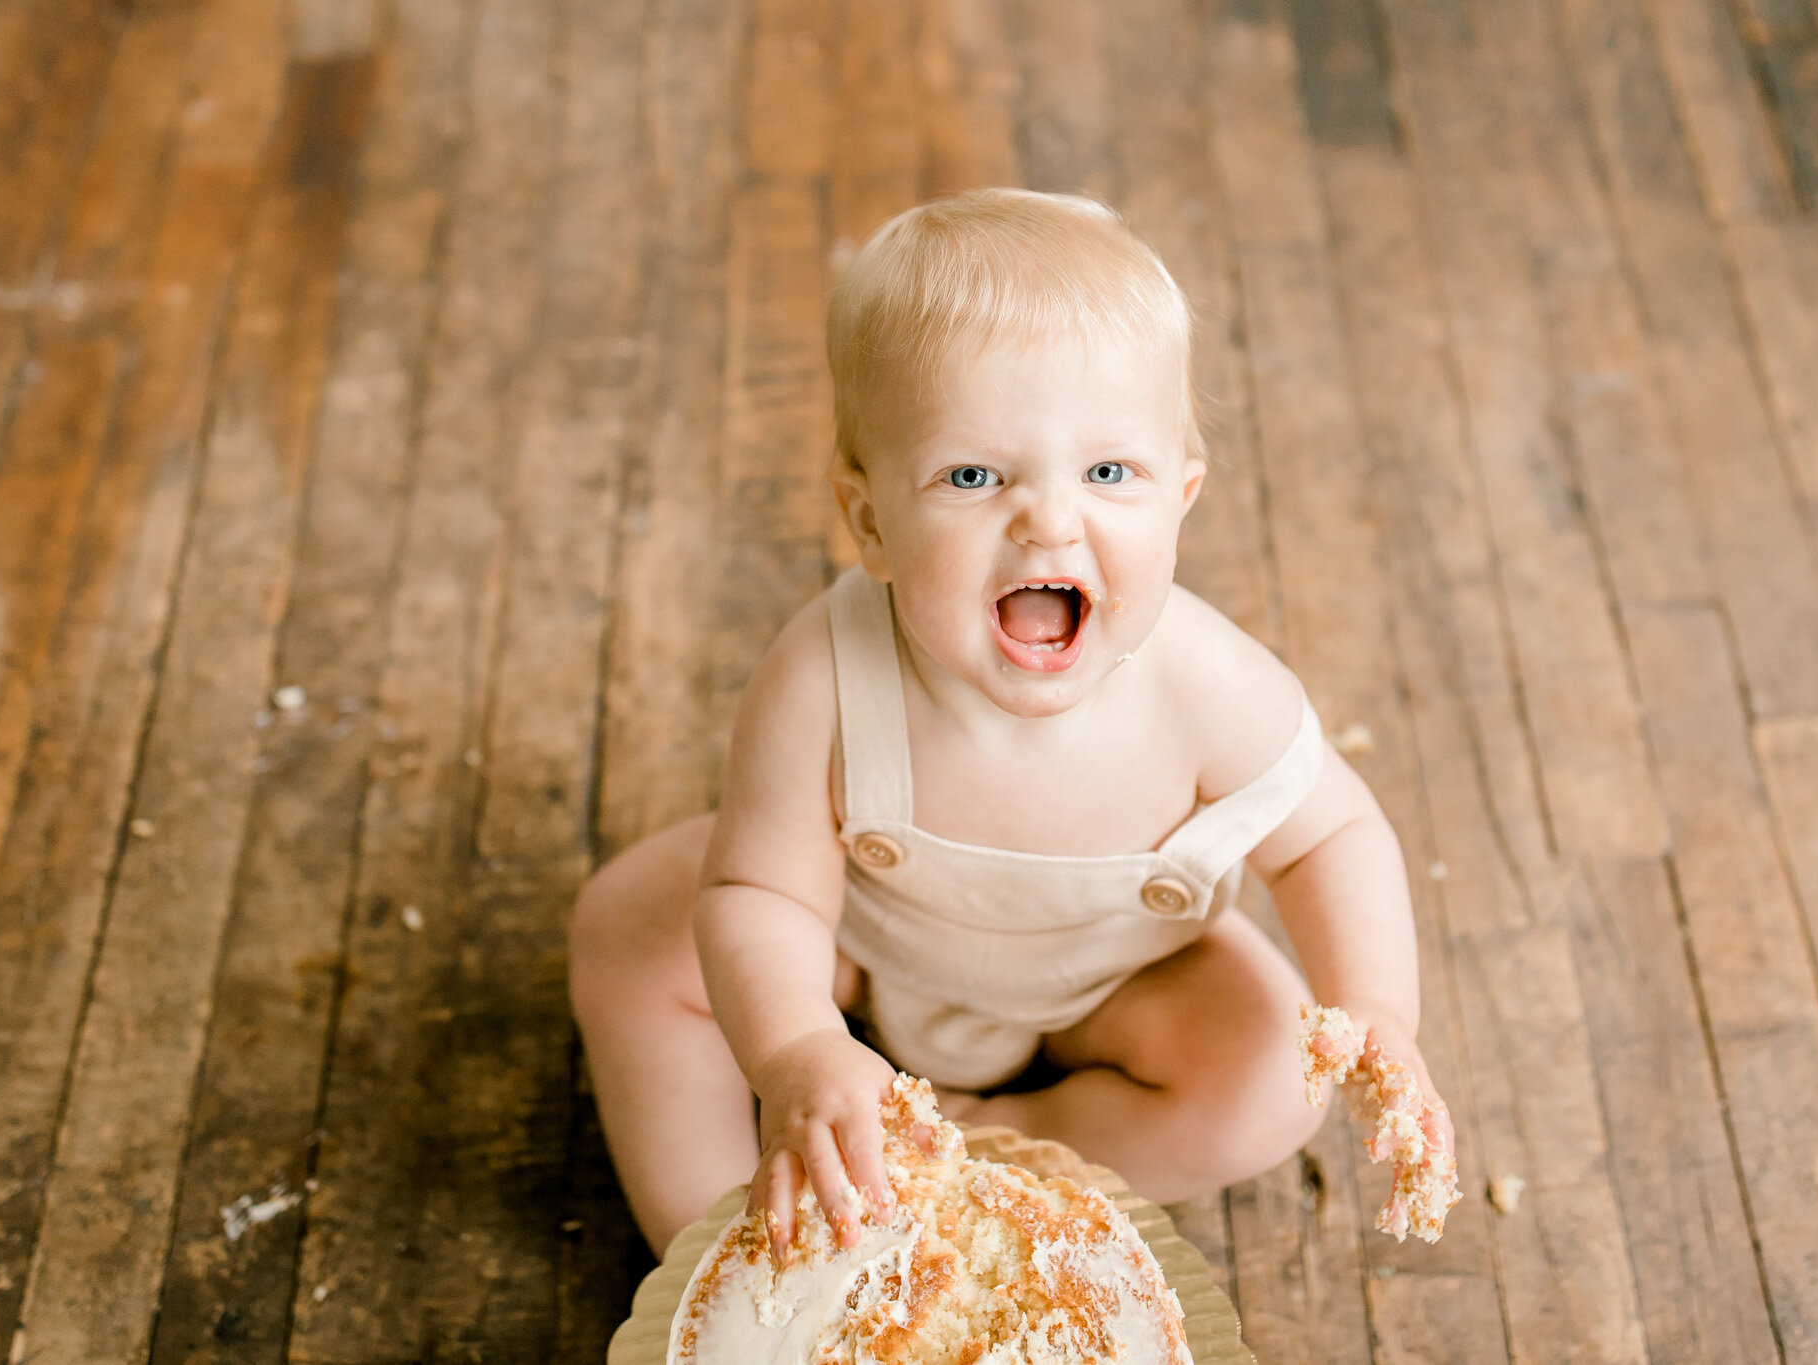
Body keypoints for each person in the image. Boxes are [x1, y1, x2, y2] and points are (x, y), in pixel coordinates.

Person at [569, 187, 1448, 1260]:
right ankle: (732, 1246)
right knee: (633, 932)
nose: (1047, 519)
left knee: (1271, 1082)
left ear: (1181, 494)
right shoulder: (823, 679)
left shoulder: (1209, 686)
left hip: (1115, 982)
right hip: (857, 942)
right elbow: (764, 890)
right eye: (973, 476)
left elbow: (1328, 837)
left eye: (1107, 472)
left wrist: (1373, 1006)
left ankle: (998, 1154)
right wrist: (794, 1044)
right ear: (870, 520)